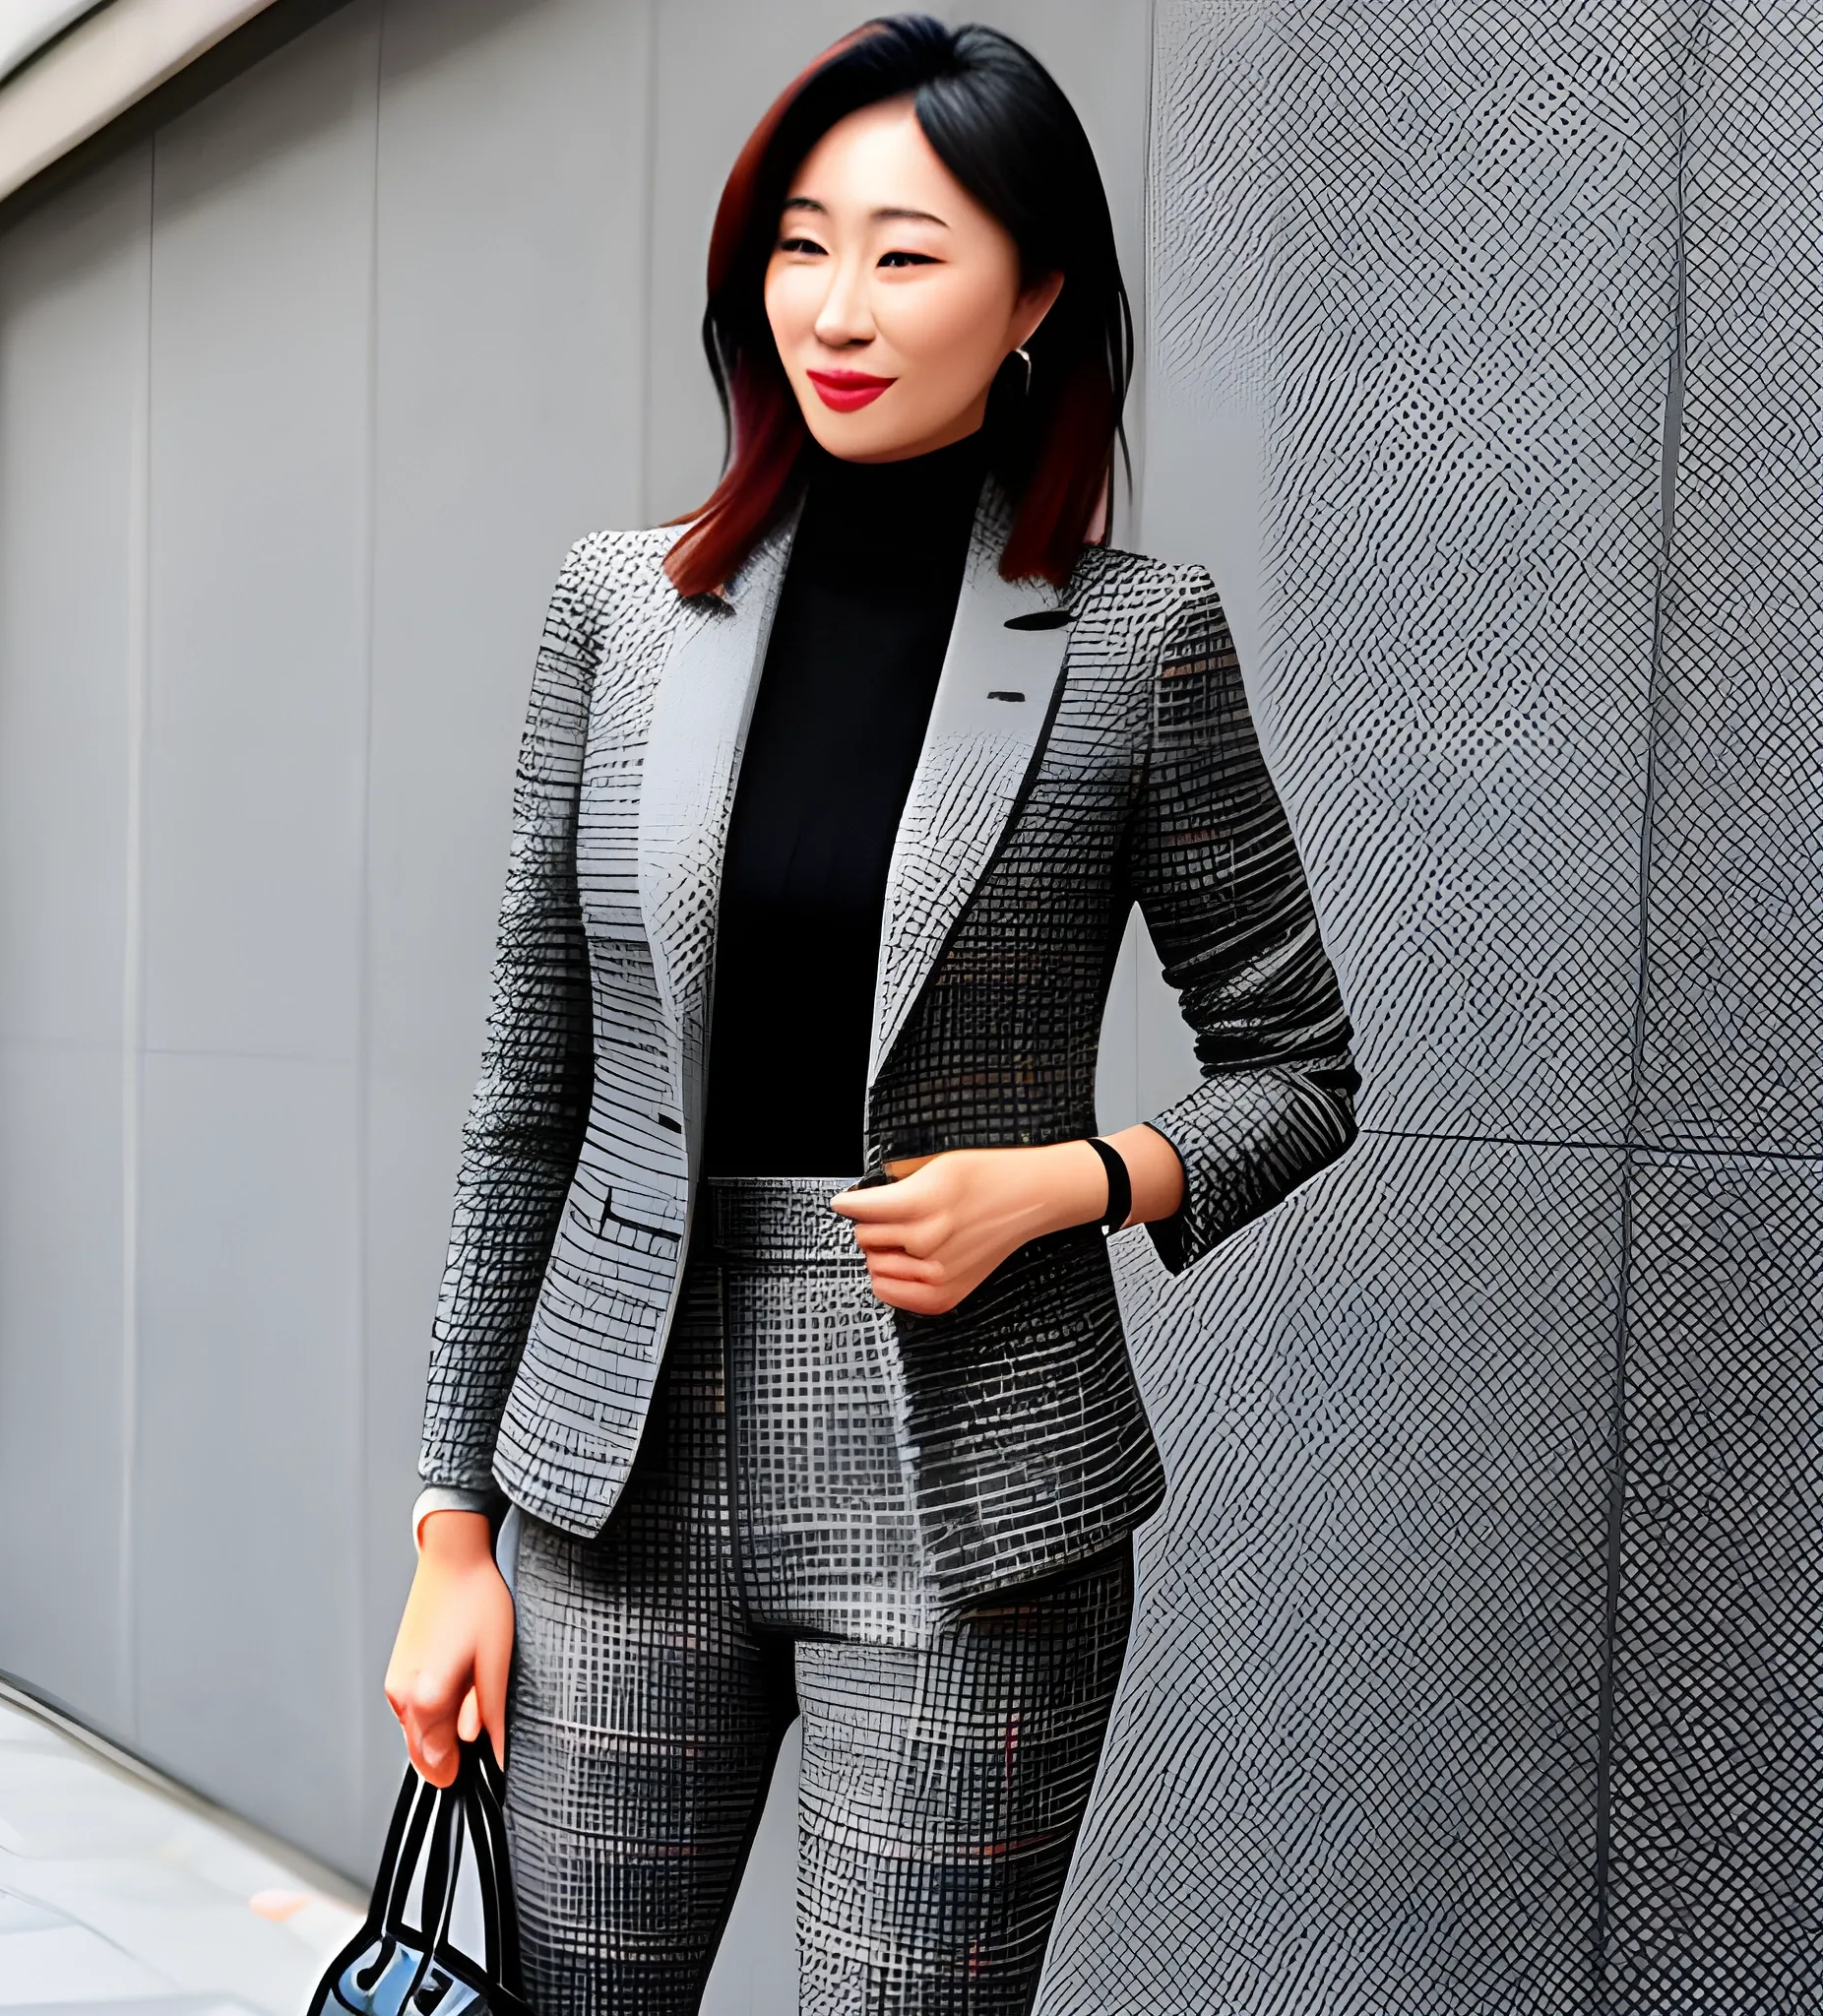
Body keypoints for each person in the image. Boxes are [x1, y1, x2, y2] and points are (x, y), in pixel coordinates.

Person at [384, 17, 1357, 2013]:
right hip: (613, 1475)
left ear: (1037, 295)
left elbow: (1298, 1067)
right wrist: (446, 1522)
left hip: (970, 1492)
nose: (835, 306)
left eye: (906, 254)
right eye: (798, 243)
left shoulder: (1130, 636)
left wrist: (1072, 1179)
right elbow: (523, 1105)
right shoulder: (621, 606)